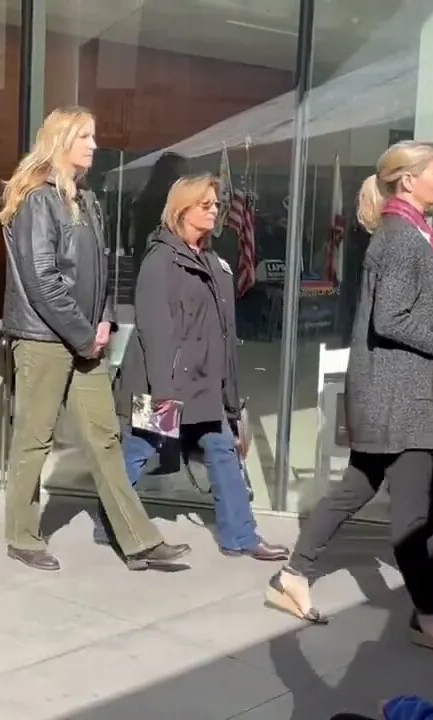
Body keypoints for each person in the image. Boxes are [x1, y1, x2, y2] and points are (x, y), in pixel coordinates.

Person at [266, 140, 433, 655]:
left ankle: (293, 573)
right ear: (408, 181)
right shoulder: (402, 239)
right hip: (396, 396)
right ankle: (427, 615)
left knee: (355, 488)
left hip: (394, 391)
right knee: (412, 516)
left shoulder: (415, 235)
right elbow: (390, 320)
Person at [0, 105, 190, 572]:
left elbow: (101, 270)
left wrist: (103, 320)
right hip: (44, 339)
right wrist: (86, 333)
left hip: (85, 338)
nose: (94, 145)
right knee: (34, 439)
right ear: (62, 140)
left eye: (93, 136)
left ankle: (139, 540)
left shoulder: (85, 198)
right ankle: (22, 535)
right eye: (85, 136)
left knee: (105, 439)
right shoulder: (37, 198)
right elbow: (42, 279)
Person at [110, 174, 288, 560]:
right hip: (166, 385)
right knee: (138, 451)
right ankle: (116, 522)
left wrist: (230, 391)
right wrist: (162, 392)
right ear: (182, 209)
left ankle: (241, 537)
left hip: (205, 385)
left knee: (223, 450)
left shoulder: (211, 260)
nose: (214, 211)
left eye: (216, 204)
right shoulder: (160, 260)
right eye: (205, 204)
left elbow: (222, 331)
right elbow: (154, 330)